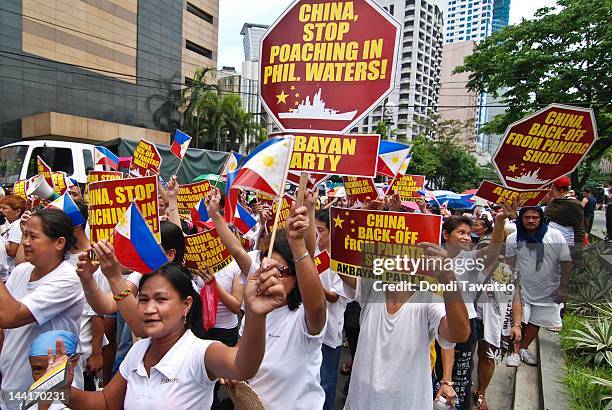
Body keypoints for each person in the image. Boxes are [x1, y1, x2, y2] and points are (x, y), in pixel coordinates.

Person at [43, 262, 286, 409]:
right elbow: (106, 402)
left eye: (161, 299)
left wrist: (255, 315)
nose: (149, 309)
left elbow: (243, 366)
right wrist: (62, 388)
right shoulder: (138, 351)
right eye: (144, 300)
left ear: (186, 305)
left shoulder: (200, 352)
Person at [207, 187, 328, 410]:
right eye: (265, 265)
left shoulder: (303, 318)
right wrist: (234, 372)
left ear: (296, 276)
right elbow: (236, 249)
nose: (269, 275)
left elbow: (318, 307)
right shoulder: (255, 311)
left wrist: (299, 241)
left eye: (280, 270)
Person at [0, 209, 84, 410]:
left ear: (59, 243)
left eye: (33, 236)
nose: (25, 242)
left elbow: (11, 316)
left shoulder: (68, 279)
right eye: (25, 235)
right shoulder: (20, 271)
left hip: (50, 395)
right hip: (11, 385)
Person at [505, 206, 571, 366]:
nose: (531, 220)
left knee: (536, 321)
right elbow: (510, 265)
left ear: (541, 219)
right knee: (519, 321)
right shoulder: (513, 238)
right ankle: (514, 352)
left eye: (535, 217)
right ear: (521, 219)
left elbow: (566, 262)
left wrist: (563, 286)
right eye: (527, 217)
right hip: (523, 288)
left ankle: (524, 348)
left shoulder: (554, 236)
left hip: (548, 289)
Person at [316, 210, 348, 410]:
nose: (316, 235)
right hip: (309, 330)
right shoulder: (312, 254)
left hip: (330, 331)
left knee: (326, 381)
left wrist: (310, 281)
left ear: (330, 232)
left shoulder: (340, 259)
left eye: (320, 230)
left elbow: (335, 296)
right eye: (314, 230)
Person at [28, 330, 80, 410]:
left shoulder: (72, 404)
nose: (46, 377)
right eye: (38, 369)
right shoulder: (31, 395)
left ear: (74, 362)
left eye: (54, 370)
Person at [545, 176, 584, 247]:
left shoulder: (573, 204)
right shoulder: (553, 202)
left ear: (561, 190)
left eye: (551, 188)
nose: (549, 190)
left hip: (566, 244)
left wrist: (577, 252)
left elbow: (579, 231)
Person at [0, 195, 27, 280]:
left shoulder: (17, 226)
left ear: (18, 212)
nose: (1, 210)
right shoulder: (10, 224)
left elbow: (12, 251)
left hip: (10, 273)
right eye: (0, 207)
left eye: (5, 208)